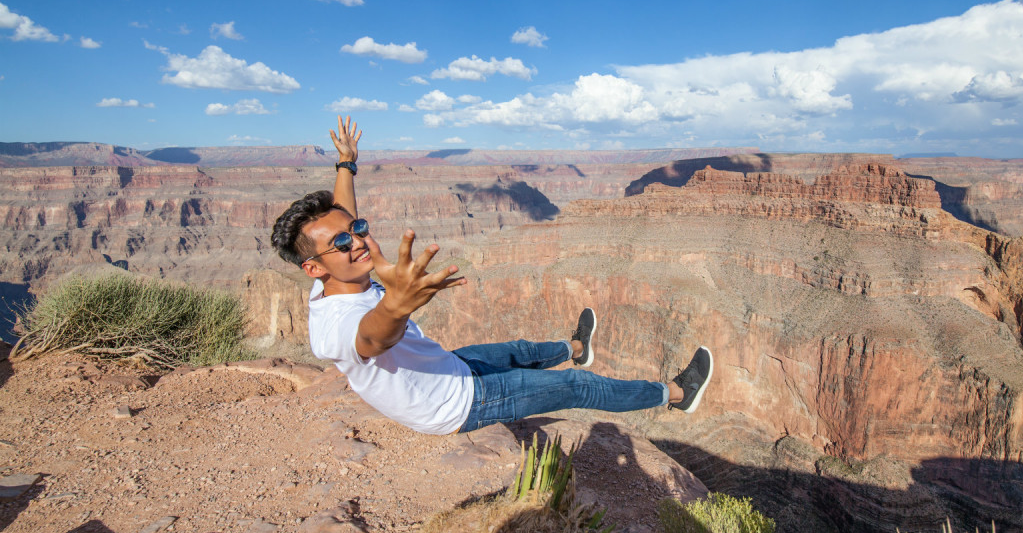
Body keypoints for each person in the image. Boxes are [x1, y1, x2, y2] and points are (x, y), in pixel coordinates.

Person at [270, 116, 714, 435]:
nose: (359, 241)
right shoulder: (333, 328)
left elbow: (342, 220)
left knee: (518, 349)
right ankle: (675, 394)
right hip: (455, 406)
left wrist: (346, 165)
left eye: (358, 231)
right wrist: (396, 304)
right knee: (578, 387)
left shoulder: (330, 276)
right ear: (314, 267)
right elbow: (371, 338)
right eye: (343, 243)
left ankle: (576, 347)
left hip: (449, 369)